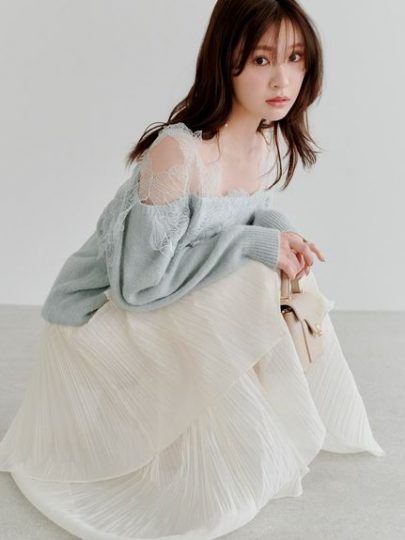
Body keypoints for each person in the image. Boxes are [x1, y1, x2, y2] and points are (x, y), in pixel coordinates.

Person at [0, 1, 385, 538]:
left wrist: (282, 233)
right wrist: (259, 245)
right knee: (252, 273)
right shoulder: (177, 154)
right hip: (100, 319)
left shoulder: (263, 141)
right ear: (225, 61)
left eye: (295, 58)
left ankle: (272, 427)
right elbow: (138, 285)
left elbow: (245, 215)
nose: (282, 79)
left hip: (165, 299)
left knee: (280, 264)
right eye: (261, 59)